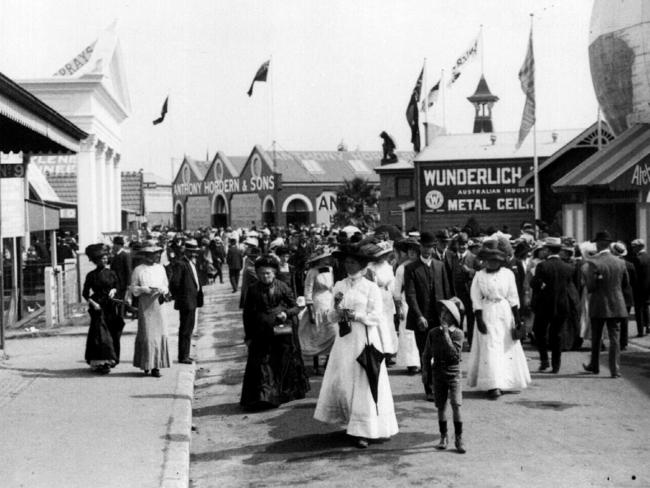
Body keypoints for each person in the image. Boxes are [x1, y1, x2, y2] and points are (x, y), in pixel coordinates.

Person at [314, 242, 398, 449]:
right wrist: (336, 313)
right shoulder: (339, 285)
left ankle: (365, 430)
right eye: (346, 262)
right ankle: (351, 422)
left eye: (352, 262)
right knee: (345, 380)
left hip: (364, 339)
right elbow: (332, 315)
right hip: (345, 340)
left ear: (361, 264)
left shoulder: (370, 287)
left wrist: (355, 315)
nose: (348, 265)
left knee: (364, 382)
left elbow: (376, 316)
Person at [240, 255, 309, 411]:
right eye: (262, 273)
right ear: (257, 274)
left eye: (268, 273)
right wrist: (248, 336)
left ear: (274, 274)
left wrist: (286, 313)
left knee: (280, 363)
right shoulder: (252, 289)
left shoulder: (282, 286)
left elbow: (297, 306)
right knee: (261, 364)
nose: (265, 277)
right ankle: (263, 398)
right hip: (260, 333)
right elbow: (247, 314)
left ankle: (280, 394)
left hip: (281, 333)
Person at [467, 243, 531, 399]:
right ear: (484, 261)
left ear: (500, 261)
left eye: (495, 260)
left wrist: (517, 318)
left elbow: (513, 296)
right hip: (487, 311)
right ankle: (493, 384)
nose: (492, 263)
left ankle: (506, 381)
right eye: (489, 260)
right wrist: (479, 318)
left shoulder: (507, 274)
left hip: (504, 312)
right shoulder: (479, 275)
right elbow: (475, 297)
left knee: (505, 347)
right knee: (490, 347)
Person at [404, 231, 452, 401]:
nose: (428, 250)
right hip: (421, 319)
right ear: (420, 247)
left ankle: (439, 386)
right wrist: (419, 316)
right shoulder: (411, 268)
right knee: (425, 354)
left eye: (431, 247)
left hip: (439, 317)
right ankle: (428, 387)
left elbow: (447, 292)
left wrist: (447, 316)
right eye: (425, 247)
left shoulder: (440, 266)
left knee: (440, 353)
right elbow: (410, 295)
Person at [421, 298, 466, 453]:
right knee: (441, 406)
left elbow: (455, 355)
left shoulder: (458, 334)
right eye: (442, 312)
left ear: (453, 317)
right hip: (438, 372)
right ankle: (443, 436)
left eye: (446, 313)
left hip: (453, 373)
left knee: (456, 404)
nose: (443, 316)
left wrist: (447, 335)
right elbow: (426, 354)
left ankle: (459, 438)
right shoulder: (433, 333)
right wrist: (425, 373)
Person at [582, 231, 629, 378]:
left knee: (596, 336)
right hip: (617, 302)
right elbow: (626, 284)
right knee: (614, 337)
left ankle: (594, 365)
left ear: (598, 244)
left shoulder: (593, 262)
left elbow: (590, 286)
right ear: (609, 244)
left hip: (599, 302)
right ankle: (614, 369)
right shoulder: (621, 262)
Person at [530, 237, 577, 373]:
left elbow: (535, 284)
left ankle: (544, 360)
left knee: (540, 332)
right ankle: (556, 365)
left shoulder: (542, 266)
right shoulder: (568, 267)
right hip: (562, 303)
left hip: (544, 304)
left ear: (548, 250)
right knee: (557, 334)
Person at [129, 242, 171, 377]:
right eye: (151, 255)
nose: (154, 257)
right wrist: (143, 289)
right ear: (145, 256)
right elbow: (133, 288)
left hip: (158, 302)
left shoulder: (160, 268)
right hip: (145, 303)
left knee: (159, 334)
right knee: (147, 334)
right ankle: (146, 363)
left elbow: (166, 285)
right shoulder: (138, 270)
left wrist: (162, 290)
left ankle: (156, 366)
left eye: (155, 254)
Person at [82, 244, 124, 374]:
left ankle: (111, 359)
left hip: (110, 306)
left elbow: (117, 286)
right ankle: (100, 361)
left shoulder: (112, 273)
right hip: (97, 307)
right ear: (96, 261)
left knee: (112, 331)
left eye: (106, 258)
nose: (104, 261)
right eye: (102, 259)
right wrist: (93, 303)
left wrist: (113, 290)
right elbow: (85, 293)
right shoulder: (91, 275)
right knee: (99, 334)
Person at [298, 247, 337, 375]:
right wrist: (310, 310)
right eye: (326, 257)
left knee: (331, 332)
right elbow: (308, 291)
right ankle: (316, 364)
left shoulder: (331, 270)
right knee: (316, 333)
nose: (328, 259)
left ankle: (327, 362)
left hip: (329, 302)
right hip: (317, 303)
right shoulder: (312, 272)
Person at [170, 239, 204, 364]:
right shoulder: (181, 263)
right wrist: (180, 296)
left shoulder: (191, 263)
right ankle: (183, 356)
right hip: (186, 301)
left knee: (189, 329)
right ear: (187, 251)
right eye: (192, 251)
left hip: (193, 300)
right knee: (185, 329)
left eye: (195, 251)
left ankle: (186, 354)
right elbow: (175, 283)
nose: (194, 253)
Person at [365, 241, 399, 364]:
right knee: (379, 324)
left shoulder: (388, 266)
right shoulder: (370, 267)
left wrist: (395, 296)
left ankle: (389, 351)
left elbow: (392, 282)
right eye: (381, 254)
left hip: (387, 297)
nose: (383, 257)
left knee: (389, 324)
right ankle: (380, 351)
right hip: (376, 296)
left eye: (385, 254)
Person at [393, 238, 421, 375]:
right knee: (408, 331)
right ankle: (411, 362)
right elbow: (397, 290)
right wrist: (398, 308)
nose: (412, 253)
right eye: (409, 250)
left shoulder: (422, 266)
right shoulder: (401, 269)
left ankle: (423, 360)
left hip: (421, 300)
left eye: (415, 251)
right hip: (406, 301)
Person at [630, 238, 650, 337]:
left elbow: (635, 275)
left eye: (634, 247)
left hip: (638, 287)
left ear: (638, 247)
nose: (632, 249)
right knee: (646, 307)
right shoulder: (648, 257)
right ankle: (648, 326)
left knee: (638, 309)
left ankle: (640, 330)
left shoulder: (637, 258)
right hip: (647, 286)